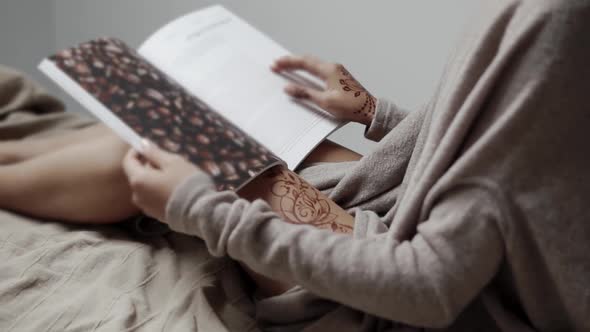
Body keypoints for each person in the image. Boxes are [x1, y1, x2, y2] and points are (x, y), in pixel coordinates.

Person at [1, 0, 589, 330]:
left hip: (396, 307)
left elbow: (429, 286)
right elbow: (509, 159)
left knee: (164, 142)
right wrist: (375, 113)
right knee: (167, 130)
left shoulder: (559, 25)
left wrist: (202, 210)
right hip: (406, 219)